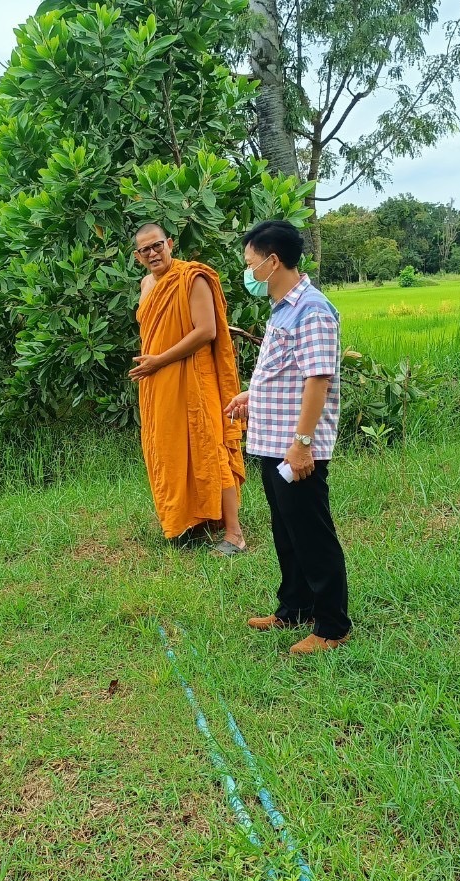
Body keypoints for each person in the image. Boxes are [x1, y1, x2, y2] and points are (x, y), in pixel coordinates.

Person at [224, 221, 352, 655]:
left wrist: (302, 442)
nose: (248, 272)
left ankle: (333, 625)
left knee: (312, 533)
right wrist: (251, 394)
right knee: (287, 530)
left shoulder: (312, 310)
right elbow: (288, 371)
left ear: (272, 261)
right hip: (271, 439)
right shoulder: (283, 309)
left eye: (250, 263)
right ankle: (294, 607)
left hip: (293, 445)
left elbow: (318, 379)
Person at [130, 224, 247, 555]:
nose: (152, 253)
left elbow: (207, 330)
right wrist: (154, 366)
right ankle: (191, 520)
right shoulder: (146, 284)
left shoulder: (192, 278)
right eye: (144, 250)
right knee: (171, 450)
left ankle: (235, 535)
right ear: (138, 257)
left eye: (157, 246)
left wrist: (158, 361)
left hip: (195, 378)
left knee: (211, 450)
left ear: (169, 244)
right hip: (159, 383)